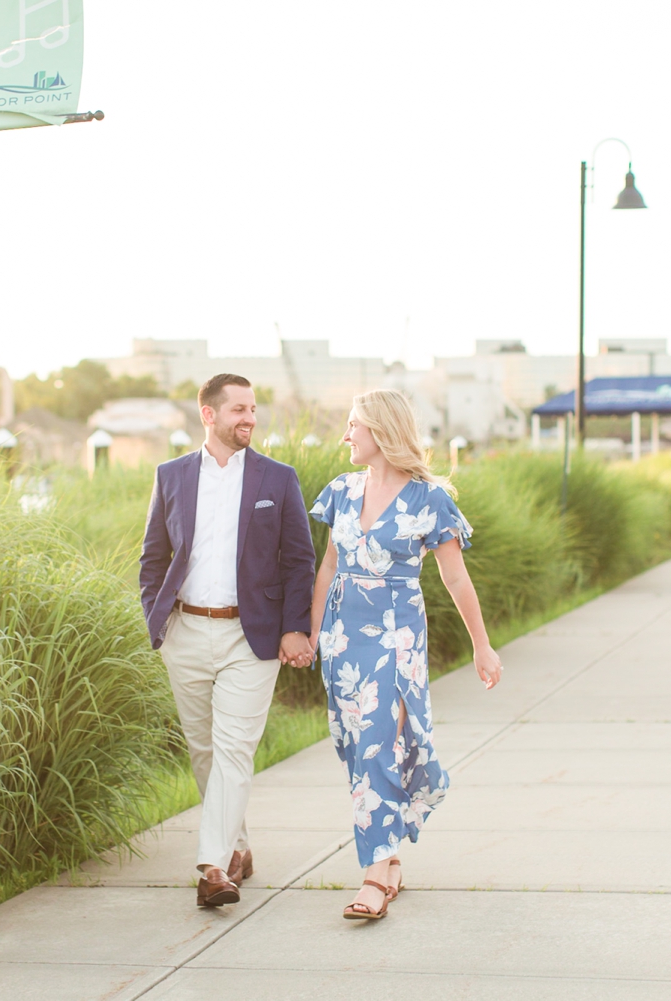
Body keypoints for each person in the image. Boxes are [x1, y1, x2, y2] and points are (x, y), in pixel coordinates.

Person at [308, 388, 503, 920]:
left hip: (396, 640)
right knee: (357, 748)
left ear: (381, 431)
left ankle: (373, 874)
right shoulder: (341, 492)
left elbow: (455, 577)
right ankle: (390, 856)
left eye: (353, 425)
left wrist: (481, 646)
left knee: (377, 746)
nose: (345, 435)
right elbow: (327, 568)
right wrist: (310, 634)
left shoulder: (428, 500)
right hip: (342, 640)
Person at [140, 373, 318, 908]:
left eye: (253, 409)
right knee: (204, 752)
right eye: (239, 409)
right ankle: (237, 848)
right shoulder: (171, 475)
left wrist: (295, 626)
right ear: (209, 415)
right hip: (187, 632)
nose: (250, 418)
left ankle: (212, 867)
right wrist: (158, 618)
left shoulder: (277, 478)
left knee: (234, 751)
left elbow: (300, 559)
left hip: (253, 636)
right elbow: (153, 556)